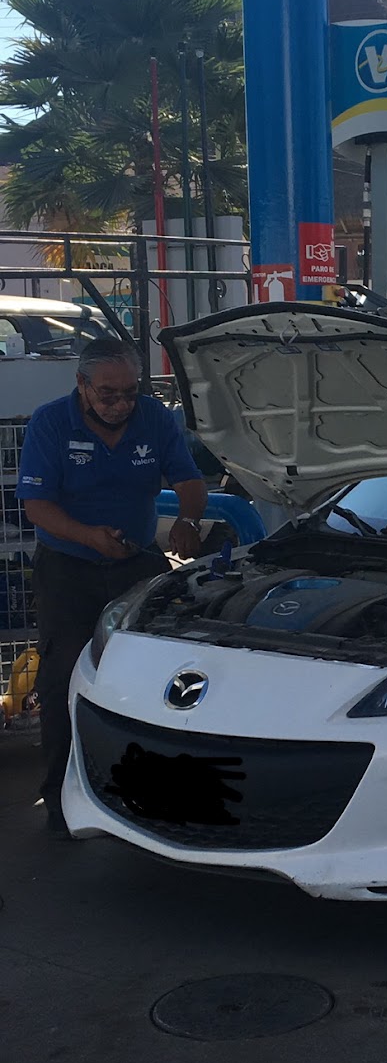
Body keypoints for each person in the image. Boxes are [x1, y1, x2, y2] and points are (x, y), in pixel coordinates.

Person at [16, 335, 208, 835]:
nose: (121, 404)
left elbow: (189, 479)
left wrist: (189, 519)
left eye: (129, 392)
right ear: (81, 385)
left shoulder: (155, 417)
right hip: (68, 566)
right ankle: (60, 799)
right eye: (108, 394)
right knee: (63, 677)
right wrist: (88, 536)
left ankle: (150, 795)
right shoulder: (50, 422)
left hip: (134, 562)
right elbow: (37, 506)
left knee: (156, 675)